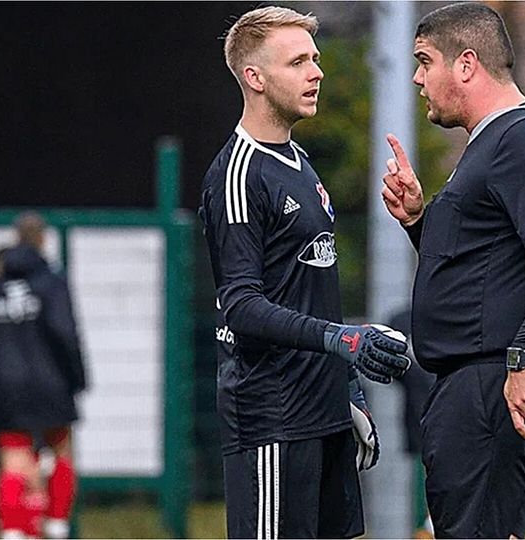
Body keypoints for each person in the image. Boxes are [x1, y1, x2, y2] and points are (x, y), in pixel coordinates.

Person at [198, 6, 411, 538]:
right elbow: (242, 307)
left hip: (323, 412)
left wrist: (344, 380)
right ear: (255, 78)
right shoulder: (236, 175)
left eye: (314, 59)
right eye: (297, 62)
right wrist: (339, 339)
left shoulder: (298, 161)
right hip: (273, 420)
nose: (316, 72)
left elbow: (303, 290)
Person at [380, 3, 525, 538]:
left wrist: (523, 357)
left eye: (425, 61)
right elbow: (481, 270)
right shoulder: (489, 145)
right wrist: (417, 222)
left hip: (495, 379)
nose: (416, 78)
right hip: (476, 380)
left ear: (467, 64)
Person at [0, 228, 86, 540]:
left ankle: (14, 529)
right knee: (60, 449)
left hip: (5, 391)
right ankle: (57, 523)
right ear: (42, 242)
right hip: (51, 384)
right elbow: (65, 332)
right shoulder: (50, 283)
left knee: (13, 461)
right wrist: (77, 378)